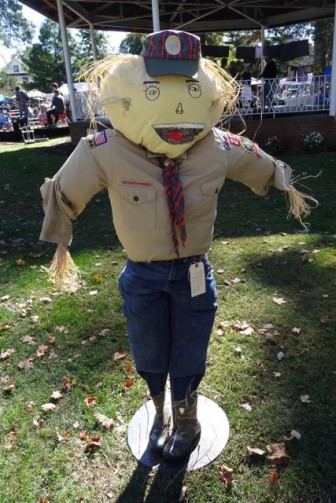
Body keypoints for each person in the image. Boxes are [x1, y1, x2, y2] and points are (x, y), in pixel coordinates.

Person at [39, 30, 315, 463]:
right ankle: (159, 413)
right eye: (155, 90)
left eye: (190, 88)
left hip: (194, 272)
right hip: (142, 276)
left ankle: (188, 420)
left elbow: (260, 163)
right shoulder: (105, 151)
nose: (180, 105)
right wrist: (59, 236)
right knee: (148, 350)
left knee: (189, 350)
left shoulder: (217, 147)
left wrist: (284, 181)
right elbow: (63, 191)